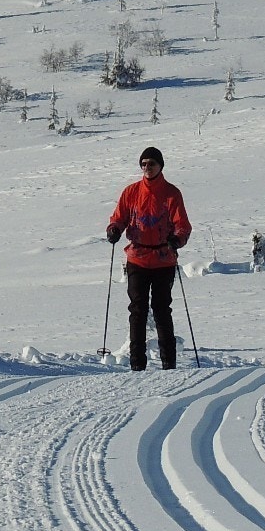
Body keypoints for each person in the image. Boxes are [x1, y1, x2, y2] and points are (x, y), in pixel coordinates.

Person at [106, 147, 193, 370]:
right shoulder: (131, 192)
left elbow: (182, 225)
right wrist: (114, 229)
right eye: (143, 164)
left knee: (162, 309)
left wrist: (177, 239)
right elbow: (119, 217)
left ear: (160, 166)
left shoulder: (172, 193)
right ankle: (137, 365)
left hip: (164, 259)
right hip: (138, 258)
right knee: (138, 310)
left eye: (151, 163)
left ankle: (168, 363)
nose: (147, 167)